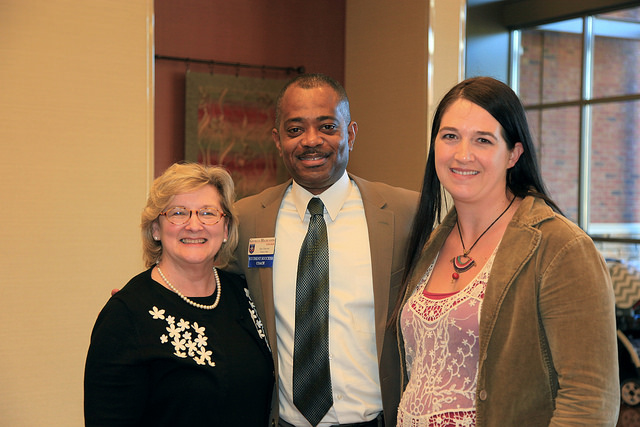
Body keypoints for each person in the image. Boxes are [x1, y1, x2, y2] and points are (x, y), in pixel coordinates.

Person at [393, 76, 619, 426]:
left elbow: (590, 399)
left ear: (513, 153)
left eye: (483, 140)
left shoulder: (559, 248)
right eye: (450, 136)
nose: (462, 154)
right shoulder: (431, 242)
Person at [230, 73, 419, 427]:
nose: (311, 141)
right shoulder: (246, 219)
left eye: (327, 126)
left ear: (351, 133)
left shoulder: (405, 213)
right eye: (295, 129)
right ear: (277, 139)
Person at [84, 162, 274, 426]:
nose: (194, 225)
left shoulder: (244, 293)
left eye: (208, 213)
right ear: (155, 229)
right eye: (178, 213)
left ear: (226, 228)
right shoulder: (126, 315)